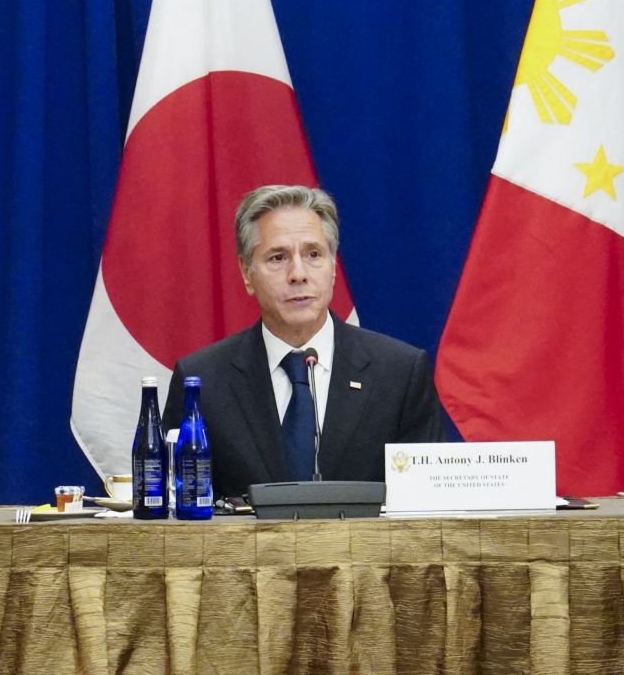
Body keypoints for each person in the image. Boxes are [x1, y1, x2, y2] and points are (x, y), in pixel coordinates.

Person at [162, 184, 446, 499]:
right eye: (278, 257)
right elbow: (176, 511)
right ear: (246, 273)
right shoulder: (202, 381)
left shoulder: (399, 373)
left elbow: (428, 508)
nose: (298, 274)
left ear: (333, 267)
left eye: (313, 254)